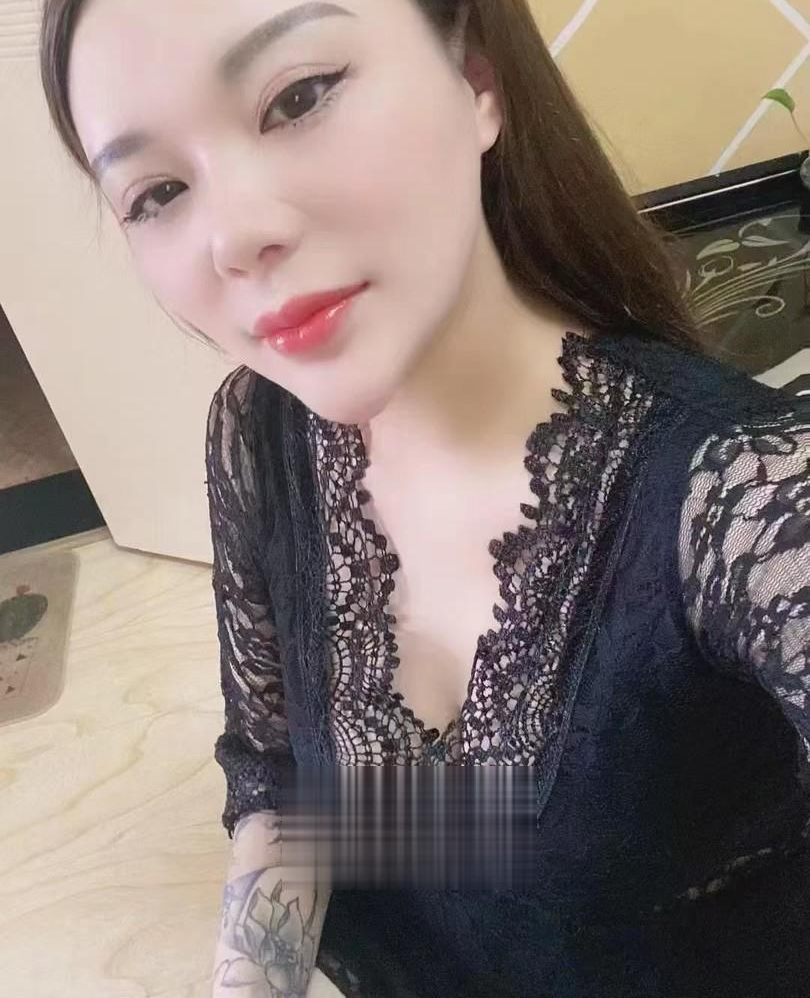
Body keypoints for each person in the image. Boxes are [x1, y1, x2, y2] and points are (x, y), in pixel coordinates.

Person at [40, 0, 810, 995]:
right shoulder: (259, 435)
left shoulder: (748, 502)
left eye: (298, 98)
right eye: (155, 193)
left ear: (478, 78)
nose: (234, 236)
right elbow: (279, 781)